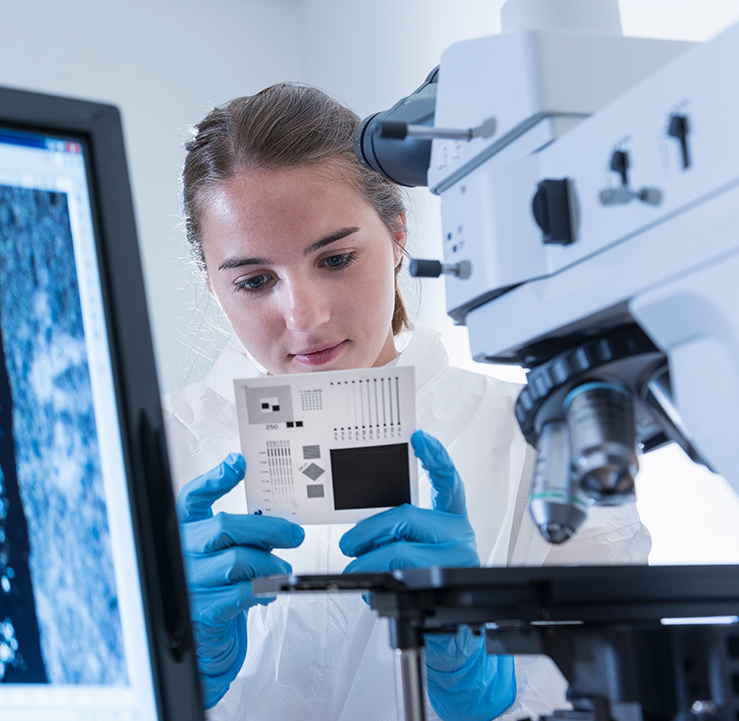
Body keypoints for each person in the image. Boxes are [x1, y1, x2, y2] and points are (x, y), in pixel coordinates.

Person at [163, 83, 651, 721]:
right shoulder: (152, 448)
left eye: (336, 259)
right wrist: (171, 675)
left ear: (397, 236)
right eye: (255, 280)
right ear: (212, 283)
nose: (304, 317)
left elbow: (622, 688)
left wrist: (485, 691)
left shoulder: (541, 438)